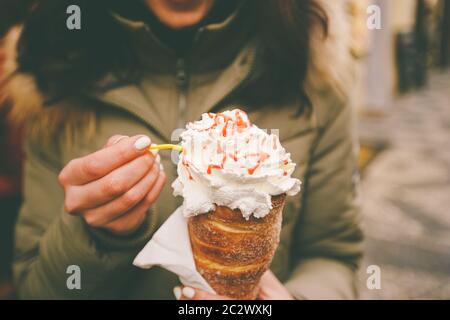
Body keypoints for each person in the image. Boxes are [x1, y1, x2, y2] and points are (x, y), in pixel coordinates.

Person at [1, 0, 363, 299]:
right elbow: (35, 290)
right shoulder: (58, 71)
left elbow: (332, 256)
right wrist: (95, 236)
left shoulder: (313, 66)